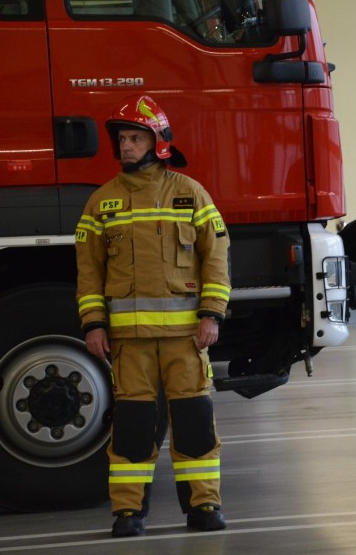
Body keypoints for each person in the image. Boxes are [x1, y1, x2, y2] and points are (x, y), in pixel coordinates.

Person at [75, 95, 232, 537]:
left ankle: (204, 506)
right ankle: (128, 513)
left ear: (157, 141)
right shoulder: (101, 203)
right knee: (132, 431)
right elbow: (89, 271)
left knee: (195, 426)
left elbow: (216, 258)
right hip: (129, 345)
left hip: (186, 340)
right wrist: (94, 324)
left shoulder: (190, 194)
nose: (126, 146)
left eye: (135, 137)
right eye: (122, 139)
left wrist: (211, 316)